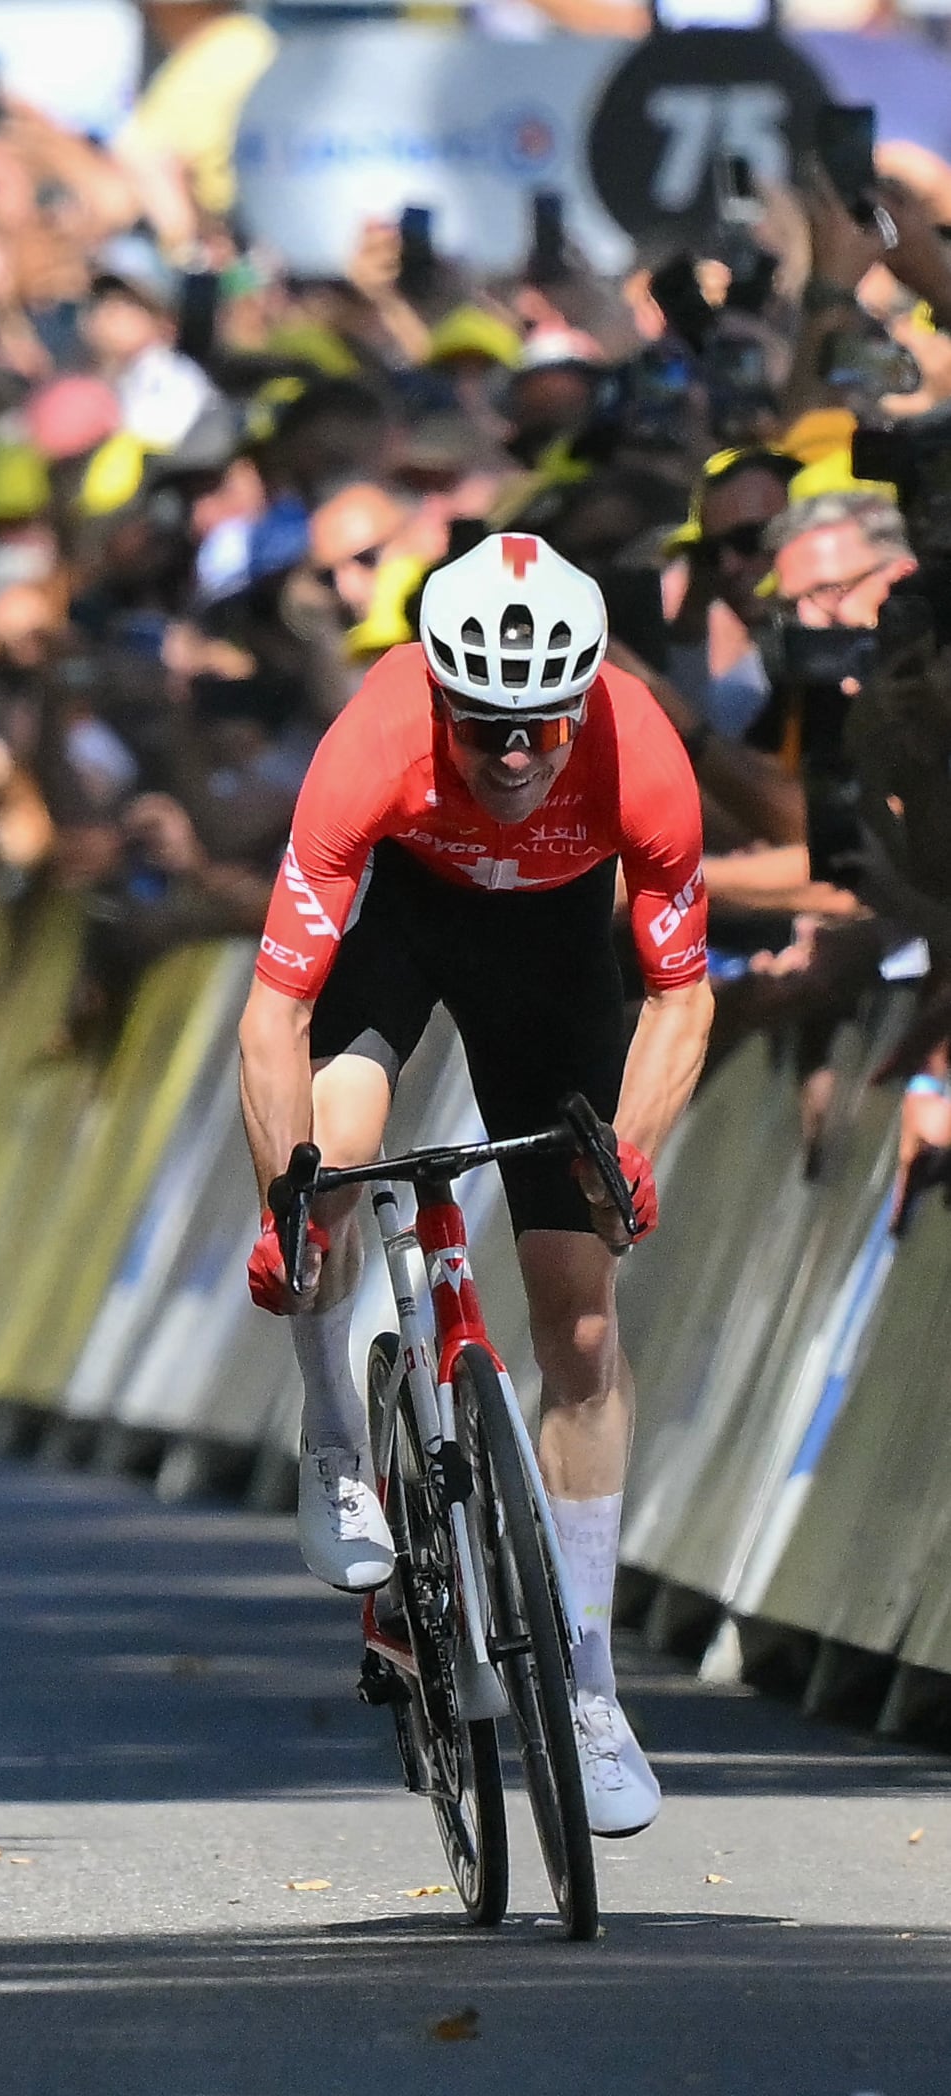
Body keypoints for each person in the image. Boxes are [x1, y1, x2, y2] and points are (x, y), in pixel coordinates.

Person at [237, 532, 712, 1839]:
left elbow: (682, 995)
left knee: (586, 1329)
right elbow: (274, 1017)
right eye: (487, 726)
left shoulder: (643, 759)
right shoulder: (370, 748)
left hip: (553, 953)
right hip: (401, 916)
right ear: (441, 696)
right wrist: (291, 1201)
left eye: (542, 729)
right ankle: (336, 1429)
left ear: (583, 705)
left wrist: (632, 1145)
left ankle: (597, 1689)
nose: (515, 755)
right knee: (334, 1156)